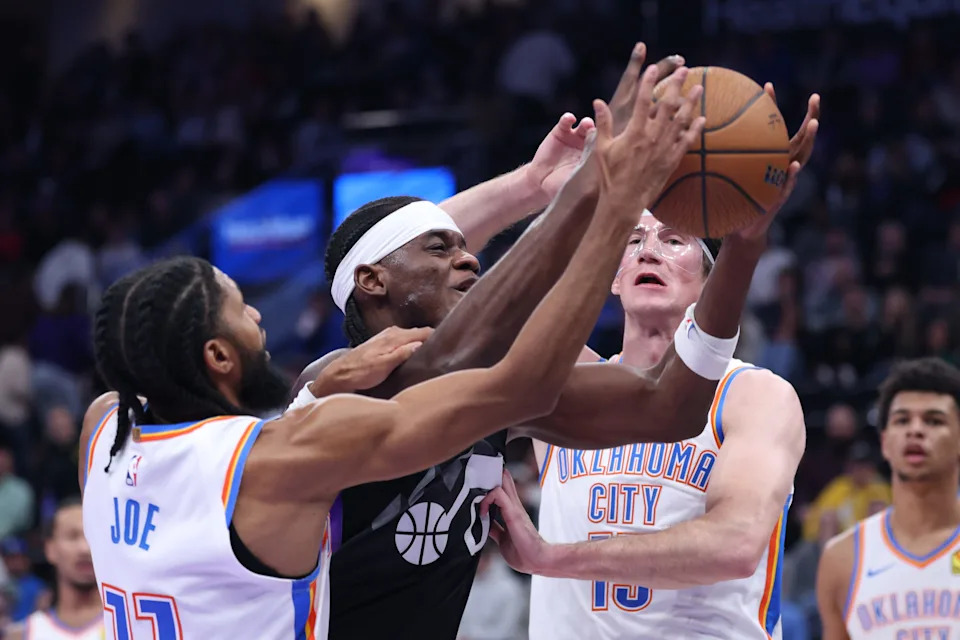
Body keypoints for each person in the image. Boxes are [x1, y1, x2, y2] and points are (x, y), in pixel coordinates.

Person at [78, 62, 704, 640]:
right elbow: (485, 348)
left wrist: (531, 187)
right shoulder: (328, 407)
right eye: (243, 308)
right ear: (217, 358)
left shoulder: (108, 428)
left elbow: (422, 268)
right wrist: (601, 200)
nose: (262, 315)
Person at [291, 46, 820, 639]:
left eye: (675, 241)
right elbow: (405, 264)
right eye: (443, 249)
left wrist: (742, 246)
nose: (470, 258)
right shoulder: (351, 377)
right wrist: (594, 190)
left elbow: (668, 407)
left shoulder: (507, 392)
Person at [479, 203, 809, 639]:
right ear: (614, 279)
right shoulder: (564, 388)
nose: (648, 251)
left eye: (673, 240)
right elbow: (492, 295)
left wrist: (550, 558)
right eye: (633, 241)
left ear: (714, 284)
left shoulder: (754, 395)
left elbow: (734, 545)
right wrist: (545, 189)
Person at [816, 358, 960, 640]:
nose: (915, 430)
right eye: (902, 420)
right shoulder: (842, 558)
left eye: (934, 420)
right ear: (884, 442)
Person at [4, 499, 103, 640]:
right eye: (72, 536)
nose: (84, 549)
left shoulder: (130, 627)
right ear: (50, 549)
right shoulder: (22, 634)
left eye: (92, 536)